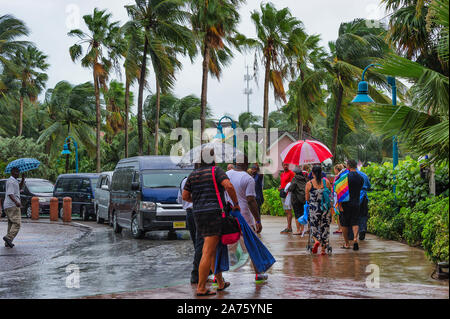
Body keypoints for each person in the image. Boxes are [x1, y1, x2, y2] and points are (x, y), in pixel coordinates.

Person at [182, 149, 240, 296]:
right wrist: (236, 203)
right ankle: (201, 287)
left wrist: (198, 202)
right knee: (207, 250)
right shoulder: (216, 171)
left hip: (198, 214)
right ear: (212, 159)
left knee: (211, 249)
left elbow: (185, 196)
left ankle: (220, 282)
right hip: (214, 214)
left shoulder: (193, 175)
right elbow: (228, 186)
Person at [226, 161, 269, 282]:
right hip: (244, 217)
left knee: (221, 246)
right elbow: (251, 200)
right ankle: (258, 274)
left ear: (235, 164)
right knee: (252, 246)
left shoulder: (225, 175)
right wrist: (258, 220)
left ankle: (216, 277)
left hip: (228, 216)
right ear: (246, 165)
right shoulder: (248, 178)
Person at [178, 164, 203, 284]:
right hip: (200, 212)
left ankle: (203, 269)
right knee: (201, 243)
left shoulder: (184, 180)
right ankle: (196, 272)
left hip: (189, 213)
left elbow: (180, 199)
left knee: (197, 243)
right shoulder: (202, 179)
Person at [305, 165, 332, 255]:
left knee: (314, 227)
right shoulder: (326, 182)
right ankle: (323, 250)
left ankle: (316, 241)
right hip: (325, 209)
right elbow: (330, 194)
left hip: (314, 209)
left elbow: (307, 199)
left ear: (312, 173)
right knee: (325, 228)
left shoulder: (309, 184)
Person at [340, 159, 364, 251]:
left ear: (348, 166)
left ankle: (346, 243)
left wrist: (340, 205)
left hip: (346, 203)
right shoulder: (360, 177)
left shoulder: (345, 177)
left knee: (344, 223)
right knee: (355, 222)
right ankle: (355, 238)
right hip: (356, 203)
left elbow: (341, 192)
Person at [3, 167, 25, 248]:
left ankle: (7, 242)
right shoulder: (11, 181)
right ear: (11, 172)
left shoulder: (14, 180)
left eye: (18, 172)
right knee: (17, 223)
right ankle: (8, 238)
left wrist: (22, 179)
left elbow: (19, 188)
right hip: (12, 205)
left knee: (11, 224)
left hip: (9, 205)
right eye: (16, 172)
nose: (17, 173)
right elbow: (10, 193)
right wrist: (16, 202)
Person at [288, 166, 307, 235]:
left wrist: (288, 187)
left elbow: (291, 188)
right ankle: (302, 230)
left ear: (295, 173)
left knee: (297, 214)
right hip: (303, 199)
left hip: (296, 199)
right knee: (302, 214)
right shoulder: (304, 178)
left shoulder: (295, 179)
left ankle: (298, 230)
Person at [279, 162, 295, 234]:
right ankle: (289, 227)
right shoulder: (282, 174)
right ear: (282, 166)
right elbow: (283, 183)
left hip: (288, 194)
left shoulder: (291, 173)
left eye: (287, 165)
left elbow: (292, 183)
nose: (286, 166)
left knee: (288, 210)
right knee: (286, 211)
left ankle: (289, 227)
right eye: (284, 165)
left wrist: (286, 190)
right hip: (283, 193)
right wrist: (280, 187)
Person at [357, 167, 371, 240]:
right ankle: (362, 229)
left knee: (355, 215)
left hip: (354, 197)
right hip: (364, 197)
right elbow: (369, 186)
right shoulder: (364, 175)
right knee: (363, 214)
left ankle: (355, 231)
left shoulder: (348, 175)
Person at [332, 164, 345, 234]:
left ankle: (340, 228)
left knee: (339, 213)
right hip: (339, 196)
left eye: (335, 170)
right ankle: (340, 228)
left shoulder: (338, 177)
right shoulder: (342, 176)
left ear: (337, 170)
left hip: (338, 196)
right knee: (339, 213)